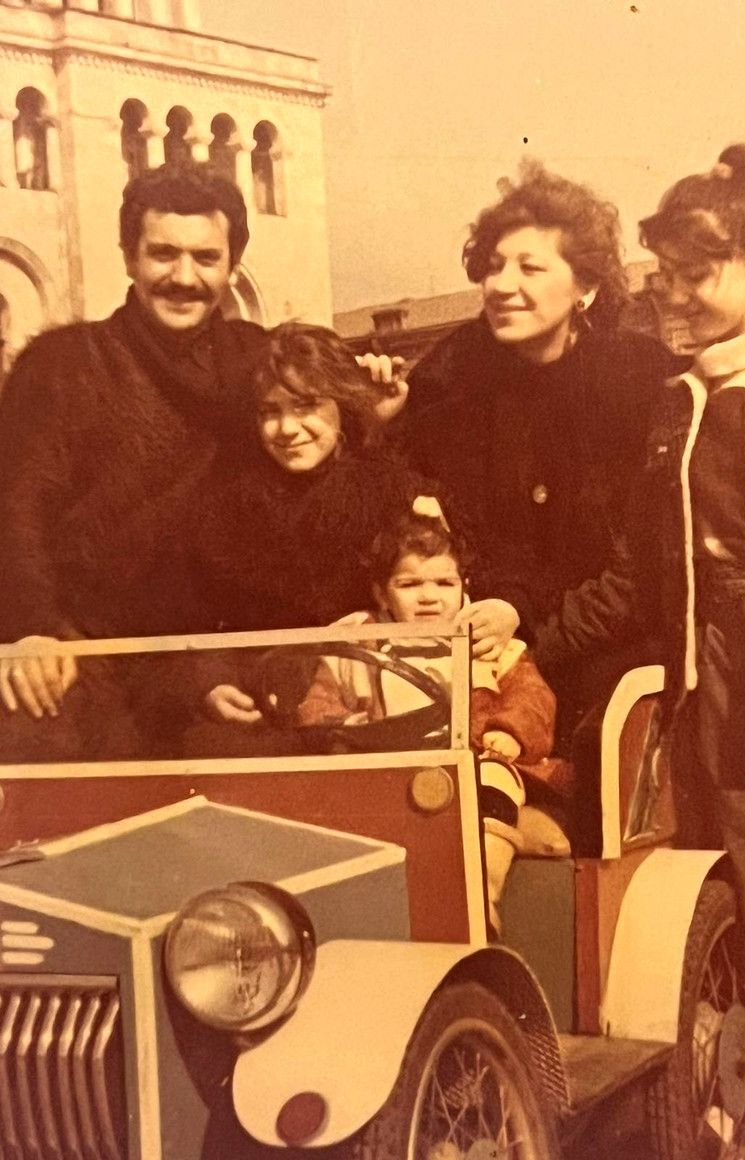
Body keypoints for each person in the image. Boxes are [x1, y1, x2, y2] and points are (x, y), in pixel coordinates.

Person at [557, 143, 745, 1159]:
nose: (676, 298)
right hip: (726, 713)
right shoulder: (677, 402)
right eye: (665, 277)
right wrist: (524, 631)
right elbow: (639, 578)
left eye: (697, 275)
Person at [402, 161, 679, 754]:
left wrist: (529, 628)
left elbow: (640, 568)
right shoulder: (448, 385)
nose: (502, 285)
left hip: (611, 660)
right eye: (494, 265)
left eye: (530, 267)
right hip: (485, 665)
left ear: (586, 287)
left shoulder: (639, 381)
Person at [0, 162, 268, 760]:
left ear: (232, 264)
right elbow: (17, 508)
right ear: (128, 257)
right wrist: (31, 629)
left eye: (206, 257)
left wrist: (374, 414)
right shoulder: (61, 364)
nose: (184, 277)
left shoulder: (261, 363)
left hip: (212, 660)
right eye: (163, 254)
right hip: (82, 653)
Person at [181, 324, 521, 753]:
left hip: (376, 706)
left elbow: (477, 570)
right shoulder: (226, 510)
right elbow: (195, 617)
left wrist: (504, 607)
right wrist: (210, 680)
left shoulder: (397, 492)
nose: (287, 428)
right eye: (269, 412)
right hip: (264, 709)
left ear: (340, 405)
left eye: (306, 405)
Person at [294, 511, 571, 932]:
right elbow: (318, 707)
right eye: (409, 585)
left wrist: (509, 731)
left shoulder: (489, 644)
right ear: (382, 593)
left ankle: (481, 893)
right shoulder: (354, 647)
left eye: (444, 583)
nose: (429, 597)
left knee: (495, 777)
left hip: (475, 766)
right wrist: (348, 730)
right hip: (387, 770)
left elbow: (533, 698)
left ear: (464, 588)